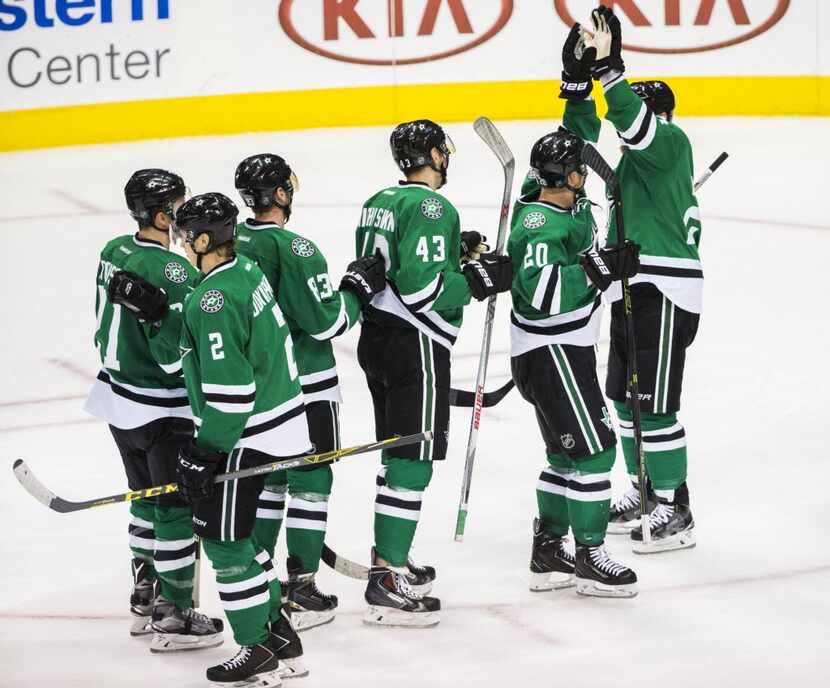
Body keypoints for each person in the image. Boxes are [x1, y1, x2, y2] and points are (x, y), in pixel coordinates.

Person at [354, 119, 513, 625]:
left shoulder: (379, 199)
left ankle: (389, 560)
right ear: (434, 154)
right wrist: (478, 281)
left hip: (377, 338)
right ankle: (388, 580)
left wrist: (454, 253)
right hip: (414, 342)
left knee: (396, 453)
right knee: (411, 461)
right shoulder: (430, 205)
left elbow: (399, 264)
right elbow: (423, 291)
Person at [233, 153, 385, 630]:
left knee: (271, 480)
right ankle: (300, 587)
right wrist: (355, 291)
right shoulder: (295, 249)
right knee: (312, 481)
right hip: (306, 385)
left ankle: (264, 584)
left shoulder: (230, 240)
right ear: (280, 194)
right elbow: (327, 323)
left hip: (257, 389)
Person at [174, 192, 310, 685]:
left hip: (246, 435)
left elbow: (232, 393)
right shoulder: (245, 271)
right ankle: (278, 634)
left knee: (225, 542)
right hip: (279, 421)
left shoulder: (213, 299)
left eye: (187, 236)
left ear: (206, 240)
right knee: (247, 538)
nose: (181, 243)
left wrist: (206, 450)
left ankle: (257, 651)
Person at [84, 169, 223, 650]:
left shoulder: (113, 250)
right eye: (179, 208)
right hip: (162, 408)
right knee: (174, 509)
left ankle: (145, 594)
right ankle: (174, 613)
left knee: (143, 496)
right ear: (164, 214)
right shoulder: (175, 271)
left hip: (118, 401)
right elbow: (171, 355)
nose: (184, 217)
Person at [580, 6, 701, 552]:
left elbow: (631, 119)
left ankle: (676, 504)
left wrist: (610, 73)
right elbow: (583, 146)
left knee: (655, 404)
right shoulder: (636, 165)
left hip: (665, 288)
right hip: (630, 287)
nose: (625, 125)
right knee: (625, 400)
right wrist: (577, 87)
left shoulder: (670, 144)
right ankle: (646, 489)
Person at [508, 127, 640, 597]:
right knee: (596, 451)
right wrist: (597, 269)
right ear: (570, 176)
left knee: (564, 456)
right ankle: (589, 556)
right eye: (580, 168)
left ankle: (548, 553)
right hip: (553, 351)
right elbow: (544, 295)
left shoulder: (563, 201)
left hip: (558, 351)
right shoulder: (540, 225)